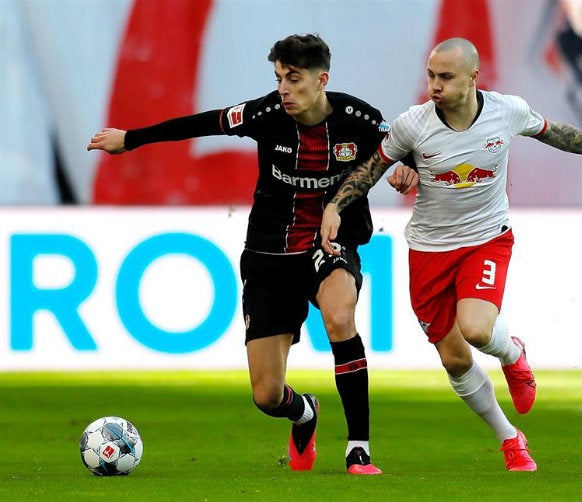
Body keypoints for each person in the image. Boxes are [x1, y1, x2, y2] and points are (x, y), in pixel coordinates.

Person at [320, 37, 582, 472]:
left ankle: (512, 354)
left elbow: (557, 134)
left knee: (477, 330)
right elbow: (372, 169)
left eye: (445, 77)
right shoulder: (413, 124)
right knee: (455, 358)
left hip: (486, 238)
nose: (434, 86)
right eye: (430, 76)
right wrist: (334, 204)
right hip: (429, 249)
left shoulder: (507, 110)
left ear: (473, 77)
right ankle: (510, 440)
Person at [87, 34, 386, 475]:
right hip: (269, 253)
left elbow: (401, 144)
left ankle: (358, 447)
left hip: (326, 246)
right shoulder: (266, 113)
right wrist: (130, 139)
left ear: (322, 80)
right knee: (267, 395)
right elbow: (203, 122)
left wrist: (408, 172)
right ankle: (304, 412)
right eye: (279, 77)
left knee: (340, 317)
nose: (283, 88)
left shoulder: (359, 119)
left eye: (294, 78)